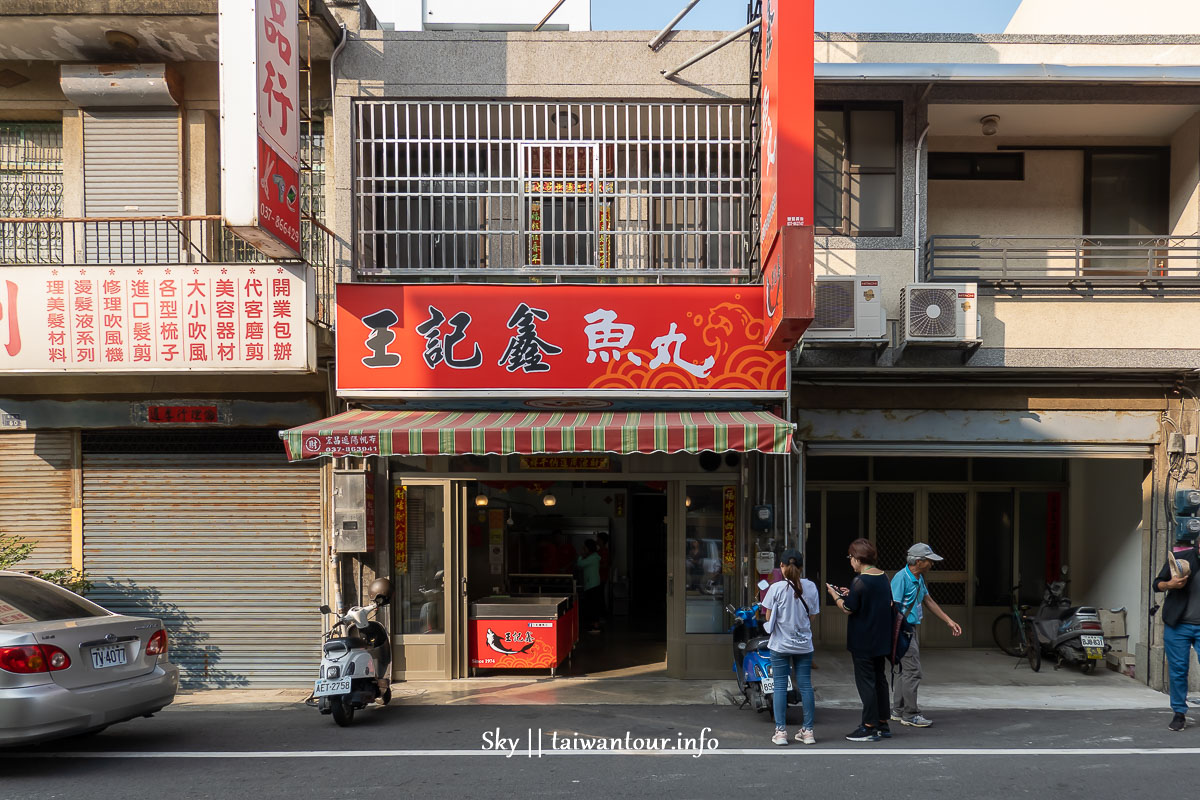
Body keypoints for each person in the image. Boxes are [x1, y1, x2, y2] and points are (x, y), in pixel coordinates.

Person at [826, 538, 893, 742]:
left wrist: (835, 595)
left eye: (850, 557)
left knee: (866, 683)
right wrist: (850, 593)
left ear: (857, 558)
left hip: (863, 640)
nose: (850, 562)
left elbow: (848, 608)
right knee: (879, 680)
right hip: (881, 640)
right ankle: (883, 723)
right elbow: (878, 601)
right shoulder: (883, 577)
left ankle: (869, 726)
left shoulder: (860, 581)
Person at [889, 543, 963, 728]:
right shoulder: (902, 578)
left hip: (909, 628)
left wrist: (948, 620)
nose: (932, 564)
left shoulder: (918, 577)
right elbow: (892, 607)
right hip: (903, 630)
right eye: (929, 560)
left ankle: (898, 710)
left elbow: (928, 601)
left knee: (904, 671)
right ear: (919, 561)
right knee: (913, 671)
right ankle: (910, 714)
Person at [760, 549, 819, 746]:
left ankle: (781, 732)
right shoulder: (811, 587)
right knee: (805, 685)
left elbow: (768, 617)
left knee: (779, 686)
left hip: (780, 645)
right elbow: (812, 617)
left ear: (782, 567)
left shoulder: (776, 588)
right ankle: (808, 731)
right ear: (801, 568)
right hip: (804, 645)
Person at [1154, 532, 1200, 731]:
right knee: (1178, 670)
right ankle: (1179, 713)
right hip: (1178, 624)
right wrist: (1170, 585)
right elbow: (1157, 584)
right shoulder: (1182, 558)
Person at [576, 538, 603, 634]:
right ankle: (593, 625)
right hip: (592, 584)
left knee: (593, 606)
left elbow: (580, 564)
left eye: (585, 547)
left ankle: (595, 626)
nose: (583, 549)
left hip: (592, 585)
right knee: (592, 605)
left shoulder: (593, 558)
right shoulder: (594, 557)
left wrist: (580, 555)